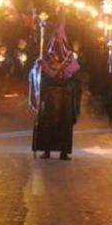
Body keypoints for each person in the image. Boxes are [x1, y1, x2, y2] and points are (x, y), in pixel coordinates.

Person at [29, 22, 81, 160]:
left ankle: (63, 151)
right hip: (50, 95)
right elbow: (37, 73)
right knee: (48, 123)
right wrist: (38, 68)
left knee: (63, 124)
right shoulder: (45, 56)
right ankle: (47, 150)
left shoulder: (69, 57)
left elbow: (75, 75)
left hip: (65, 95)